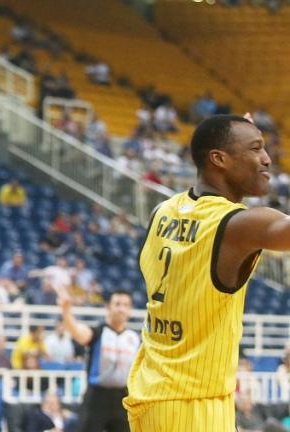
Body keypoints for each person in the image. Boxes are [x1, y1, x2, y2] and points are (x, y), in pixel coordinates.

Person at [123, 114, 290, 431]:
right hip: (192, 404)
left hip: (153, 393)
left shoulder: (163, 211)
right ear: (219, 159)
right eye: (255, 149)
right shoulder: (236, 224)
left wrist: (237, 135)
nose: (267, 159)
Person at [59, 290, 139, 432]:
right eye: (117, 304)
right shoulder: (99, 332)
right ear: (108, 307)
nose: (121, 308)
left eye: (126, 305)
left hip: (123, 397)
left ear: (130, 310)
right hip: (96, 397)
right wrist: (66, 311)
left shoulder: (134, 338)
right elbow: (77, 332)